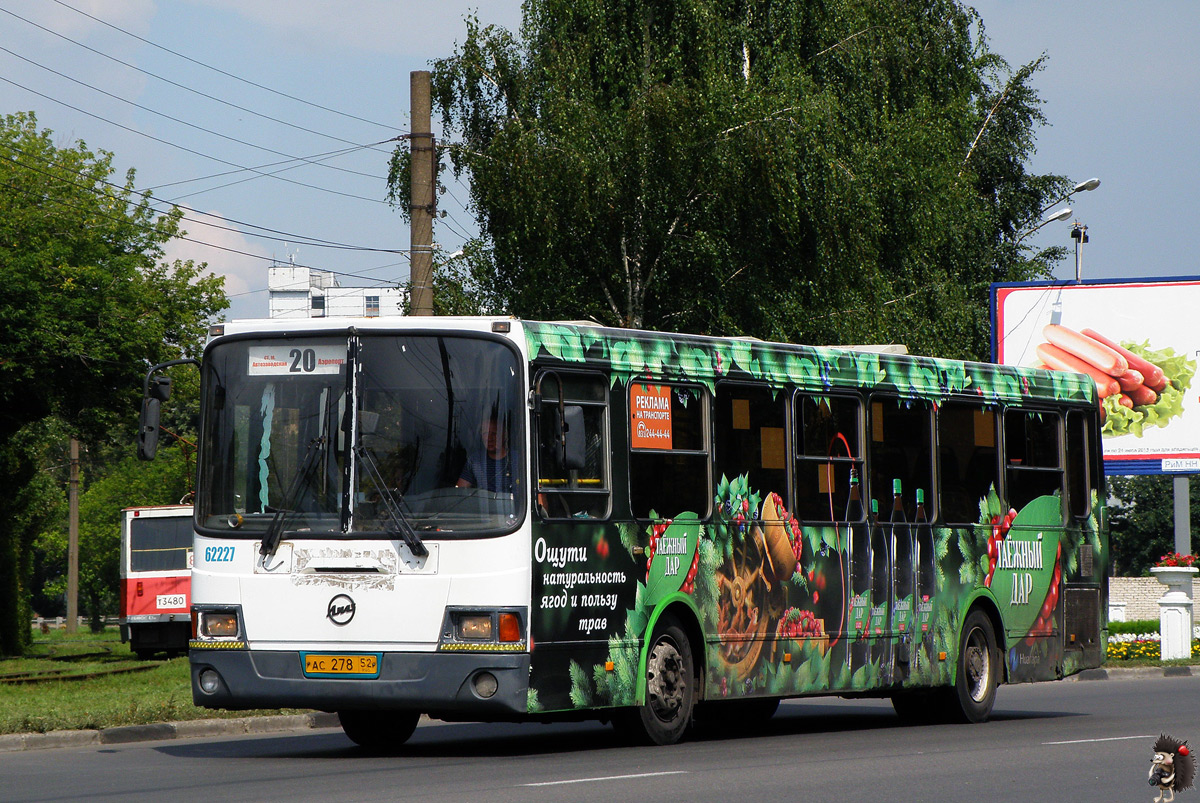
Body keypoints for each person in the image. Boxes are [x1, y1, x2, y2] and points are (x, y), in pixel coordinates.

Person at [457, 414, 514, 494]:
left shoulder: (518, 460)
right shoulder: (475, 460)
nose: (489, 438)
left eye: (494, 433)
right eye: (485, 433)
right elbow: (460, 491)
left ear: (505, 435)